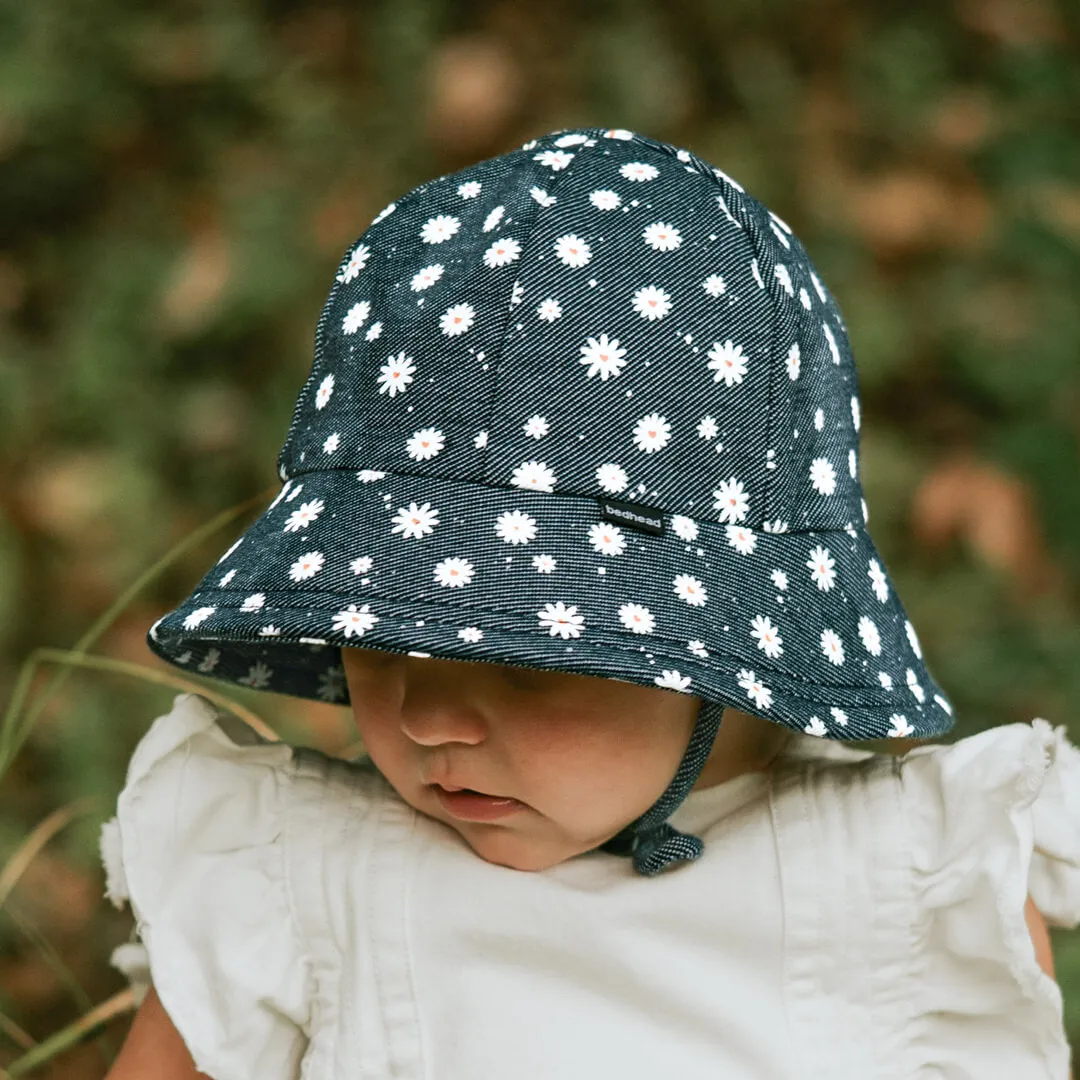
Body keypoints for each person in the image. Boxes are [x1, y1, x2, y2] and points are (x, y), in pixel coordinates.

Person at [98, 127, 1080, 1079]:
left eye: (528, 657)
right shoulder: (293, 875)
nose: (429, 717)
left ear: (722, 638)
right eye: (387, 635)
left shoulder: (910, 883)